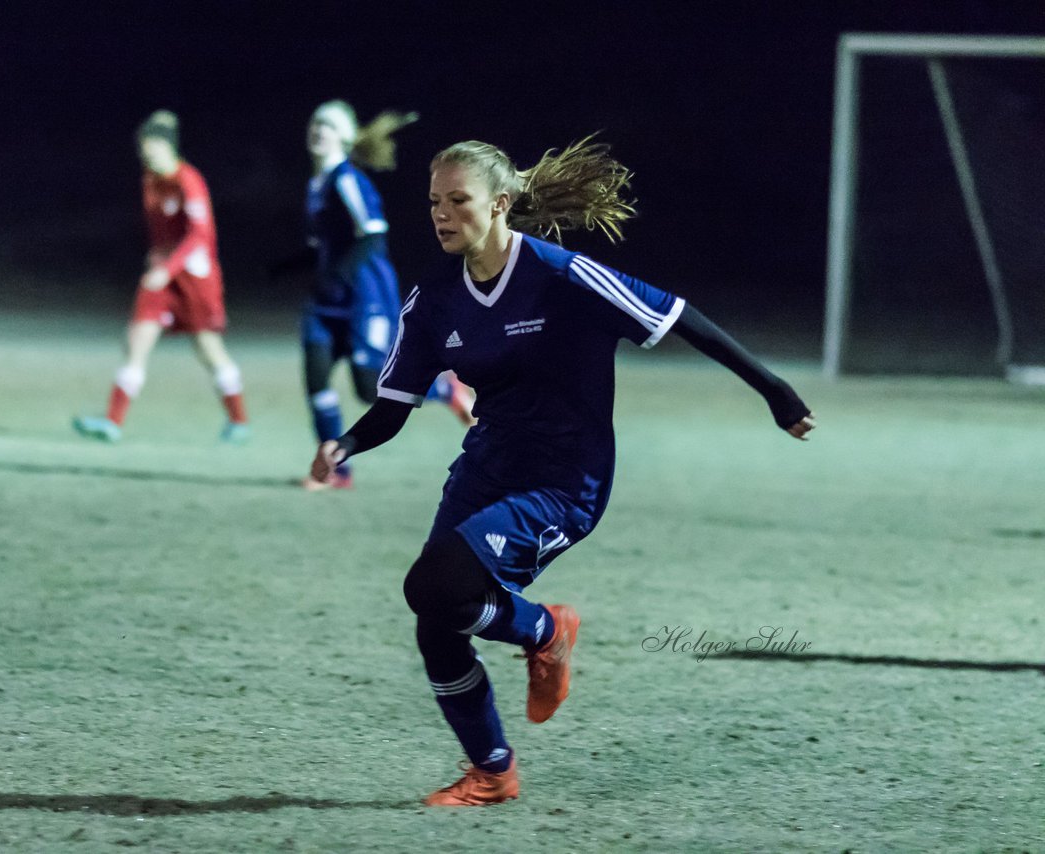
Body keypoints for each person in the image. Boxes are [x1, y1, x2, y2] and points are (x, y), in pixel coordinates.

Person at [309, 137, 816, 806]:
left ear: (501, 202)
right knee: (437, 616)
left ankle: (547, 631)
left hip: (562, 482)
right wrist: (344, 445)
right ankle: (493, 771)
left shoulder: (563, 275)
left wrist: (774, 390)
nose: (441, 213)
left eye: (458, 200)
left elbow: (678, 316)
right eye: (434, 201)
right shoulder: (432, 299)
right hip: (486, 466)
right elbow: (394, 406)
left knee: (434, 584)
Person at [285, 100, 474, 489]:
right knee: (316, 379)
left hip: (364, 297)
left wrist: (336, 275)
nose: (319, 131)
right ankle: (335, 471)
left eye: (328, 126)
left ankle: (443, 386)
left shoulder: (347, 179)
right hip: (327, 302)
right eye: (315, 123)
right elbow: (320, 245)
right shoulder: (315, 184)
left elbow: (372, 235)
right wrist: (284, 269)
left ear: (345, 137)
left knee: (369, 387)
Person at [73, 110, 249, 444]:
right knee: (135, 342)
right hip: (161, 278)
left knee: (209, 349)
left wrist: (168, 267)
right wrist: (157, 257)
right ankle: (112, 421)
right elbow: (160, 230)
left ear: (167, 147)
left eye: (150, 147)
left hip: (195, 279)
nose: (145, 154)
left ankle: (239, 420)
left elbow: (200, 234)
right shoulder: (150, 181)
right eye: (142, 147)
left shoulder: (189, 181)